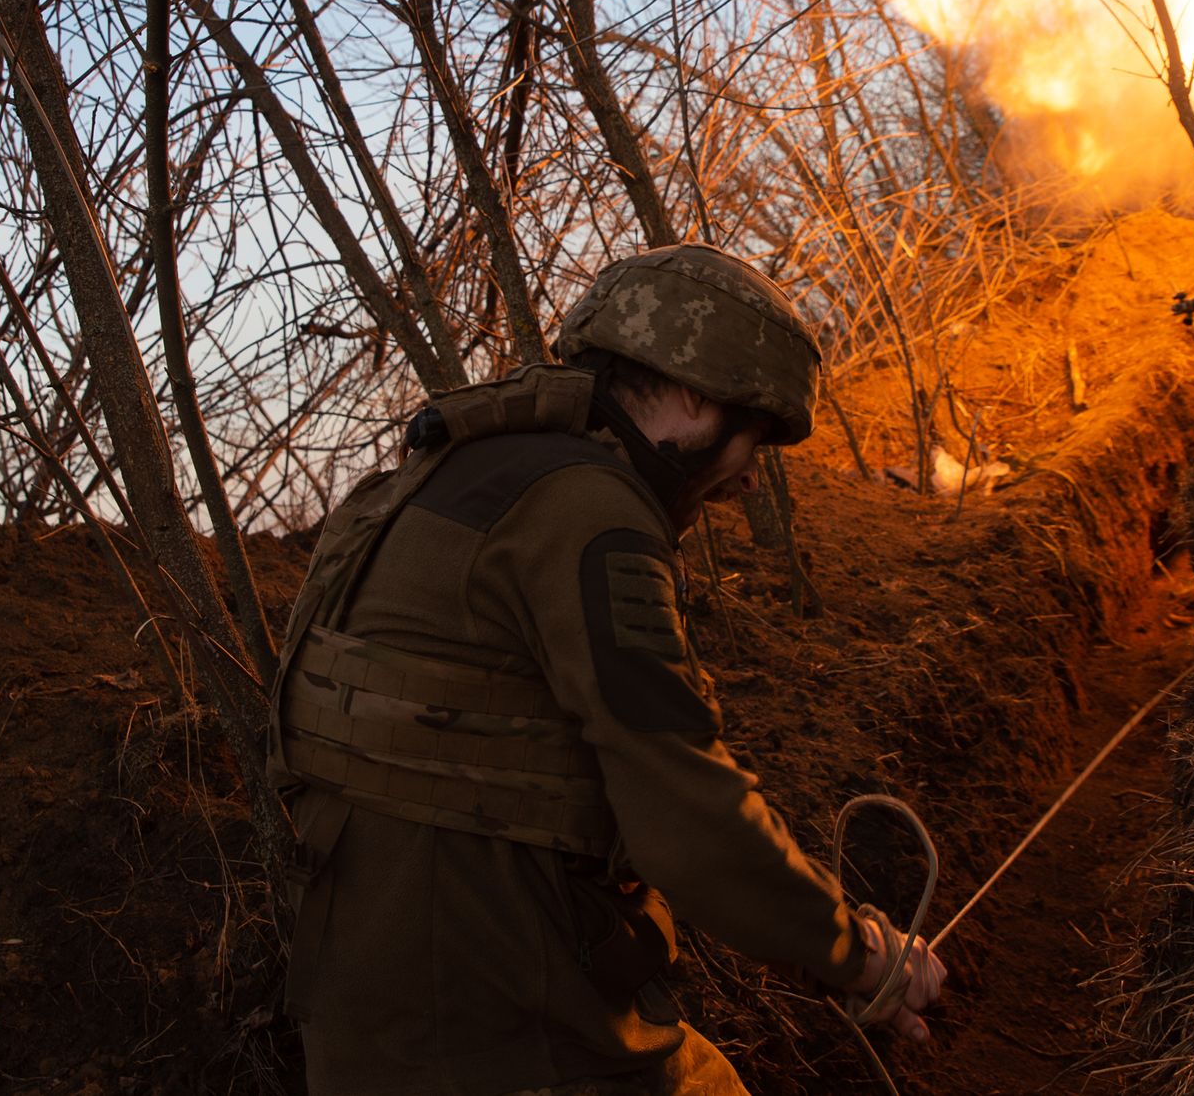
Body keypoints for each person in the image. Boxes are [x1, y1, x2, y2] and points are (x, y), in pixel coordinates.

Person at [269, 243, 946, 1095]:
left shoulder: (469, 470)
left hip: (374, 1019)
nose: (746, 478)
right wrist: (864, 955)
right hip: (498, 1031)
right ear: (696, 396)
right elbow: (686, 808)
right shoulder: (591, 511)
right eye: (755, 436)